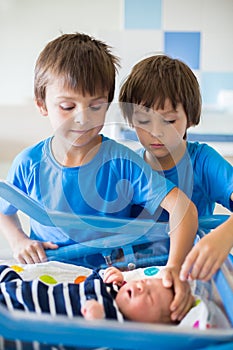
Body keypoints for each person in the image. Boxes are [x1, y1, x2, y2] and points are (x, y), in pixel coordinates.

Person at [0, 33, 198, 321]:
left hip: (108, 282)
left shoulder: (123, 162)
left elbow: (183, 208)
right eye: (68, 107)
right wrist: (18, 240)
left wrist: (174, 267)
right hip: (48, 272)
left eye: (96, 106)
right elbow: (5, 210)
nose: (83, 118)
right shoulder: (28, 163)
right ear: (42, 104)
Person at [119, 54, 233, 282]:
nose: (156, 132)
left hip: (188, 276)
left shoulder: (203, 161)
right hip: (136, 280)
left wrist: (225, 236)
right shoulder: (129, 167)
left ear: (190, 118)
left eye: (169, 121)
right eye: (143, 121)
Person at [0, 265, 229, 329]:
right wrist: (106, 275)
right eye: (144, 283)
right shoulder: (113, 289)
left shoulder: (117, 325)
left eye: (148, 297)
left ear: (151, 326)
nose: (140, 287)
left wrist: (96, 324)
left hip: (22, 314)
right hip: (20, 287)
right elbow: (90, 281)